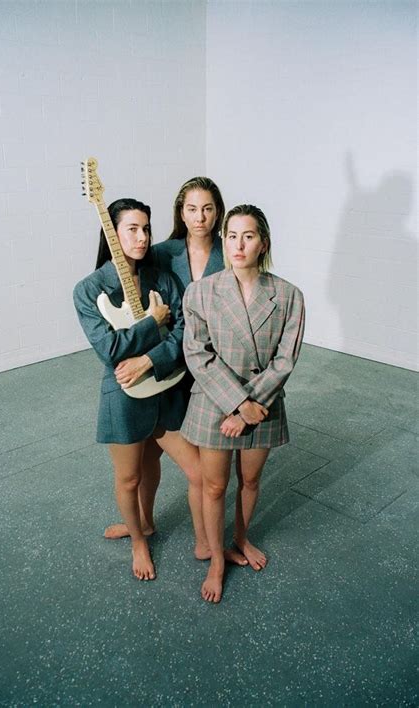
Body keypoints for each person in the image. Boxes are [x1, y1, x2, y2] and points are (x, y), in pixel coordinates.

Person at [73, 198, 210, 581]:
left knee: (193, 471)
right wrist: (152, 322)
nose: (143, 236)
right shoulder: (87, 290)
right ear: (112, 235)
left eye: (146, 228)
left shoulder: (161, 278)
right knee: (130, 477)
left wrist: (149, 358)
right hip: (125, 394)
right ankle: (139, 538)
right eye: (132, 229)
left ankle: (181, 534)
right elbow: (111, 350)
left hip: (166, 388)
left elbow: (184, 332)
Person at [181, 204, 305, 603]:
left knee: (250, 481)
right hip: (215, 403)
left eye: (248, 236)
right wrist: (239, 405)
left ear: (262, 243)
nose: (238, 244)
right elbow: (197, 354)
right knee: (214, 487)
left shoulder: (288, 295)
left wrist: (253, 405)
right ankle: (217, 560)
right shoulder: (200, 291)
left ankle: (240, 538)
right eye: (231, 235)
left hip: (264, 403)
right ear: (223, 240)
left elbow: (286, 358)